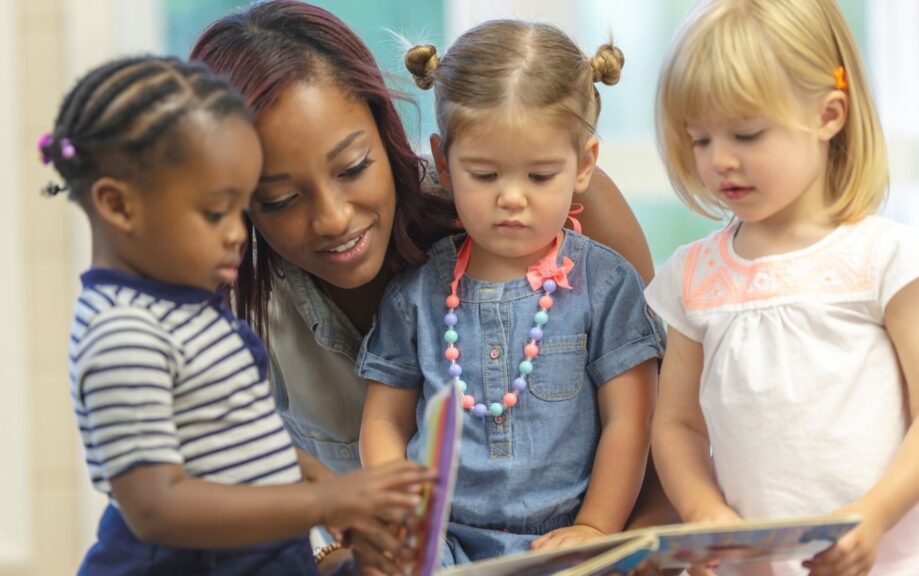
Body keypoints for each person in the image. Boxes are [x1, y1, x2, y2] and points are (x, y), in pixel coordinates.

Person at [190, 1, 677, 571]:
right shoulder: (243, 311)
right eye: (279, 199)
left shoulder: (585, 241)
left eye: (351, 168)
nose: (334, 219)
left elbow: (654, 436)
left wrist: (608, 548)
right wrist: (366, 547)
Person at [44, 54, 433, 575]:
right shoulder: (123, 332)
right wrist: (324, 505)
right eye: (215, 212)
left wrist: (330, 488)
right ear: (118, 205)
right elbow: (156, 508)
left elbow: (243, 443)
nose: (235, 233)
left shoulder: (190, 309)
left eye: (240, 210)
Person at [646, 1, 919, 575]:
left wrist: (875, 514)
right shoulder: (694, 275)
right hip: (759, 561)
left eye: (746, 133)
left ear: (829, 115)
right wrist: (703, 508)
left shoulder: (888, 258)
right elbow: (676, 423)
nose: (720, 160)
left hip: (897, 555)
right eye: (700, 139)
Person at [357, 20, 664, 567]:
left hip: (565, 538)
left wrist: (597, 525)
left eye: (541, 176)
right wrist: (401, 514)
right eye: (485, 174)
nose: (512, 199)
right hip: (441, 539)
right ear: (445, 164)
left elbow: (630, 419)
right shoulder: (416, 295)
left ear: (584, 164)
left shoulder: (607, 285)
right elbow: (383, 420)